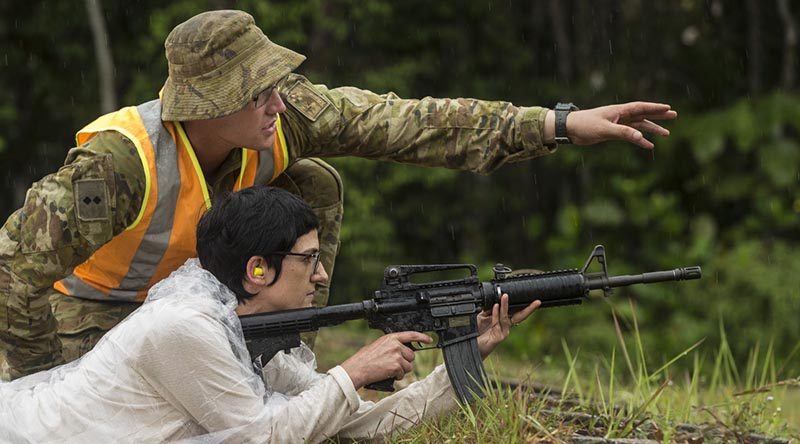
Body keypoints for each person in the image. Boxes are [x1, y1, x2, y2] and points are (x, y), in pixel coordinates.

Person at [0, 9, 677, 380]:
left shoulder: (285, 116)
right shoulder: (118, 164)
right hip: (95, 317)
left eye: (273, 85)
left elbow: (413, 123)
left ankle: (283, 358)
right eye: (255, 90)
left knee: (313, 183)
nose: (276, 101)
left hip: (203, 305)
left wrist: (557, 125)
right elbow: (11, 271)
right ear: (207, 104)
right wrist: (41, 382)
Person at [0, 186, 541, 442]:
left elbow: (344, 422)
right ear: (258, 271)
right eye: (308, 260)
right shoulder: (182, 327)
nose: (322, 275)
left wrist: (469, 352)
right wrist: (352, 372)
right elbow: (264, 437)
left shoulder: (242, 328)